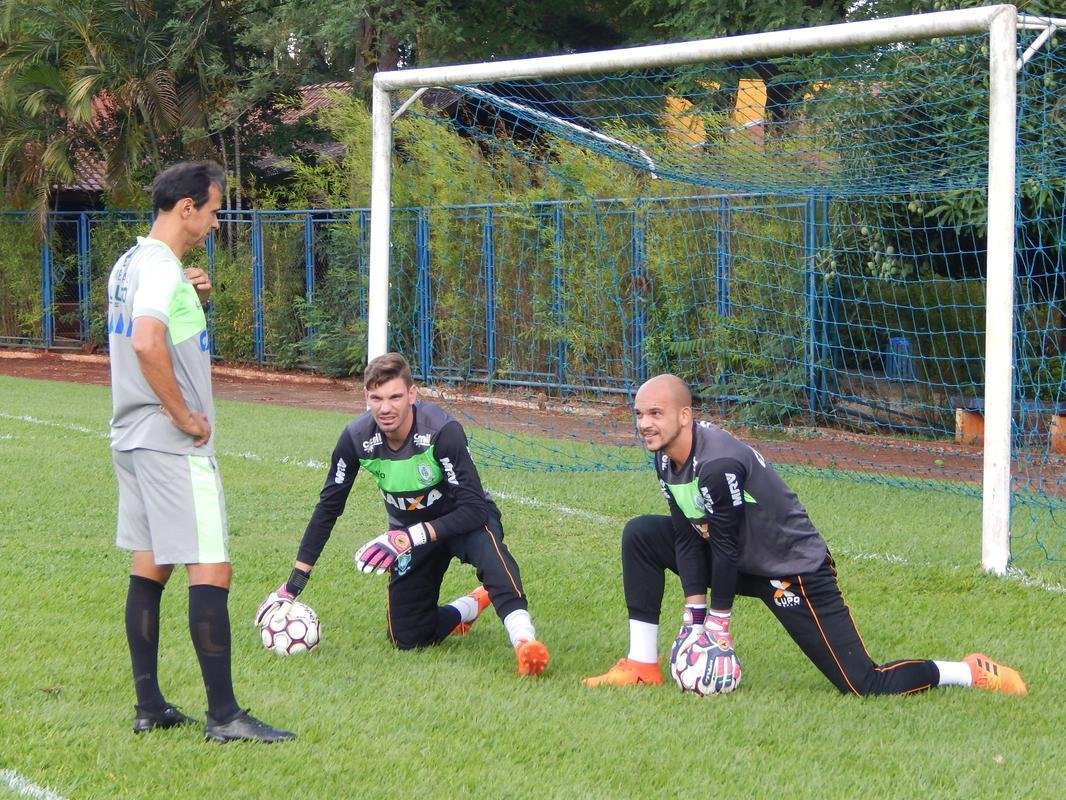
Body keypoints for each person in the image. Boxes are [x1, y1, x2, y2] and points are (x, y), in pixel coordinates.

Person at [583, 373, 1028, 697]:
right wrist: (692, 614)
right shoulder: (664, 456)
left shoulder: (717, 463)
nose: (644, 424)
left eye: (655, 414)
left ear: (685, 415)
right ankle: (642, 664)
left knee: (864, 683)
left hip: (792, 571)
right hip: (738, 558)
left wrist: (718, 625)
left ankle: (969, 671)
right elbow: (685, 534)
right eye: (639, 414)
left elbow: (725, 544)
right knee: (642, 535)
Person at [107, 160, 295, 743]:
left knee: (150, 563)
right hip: (171, 443)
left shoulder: (132, 261)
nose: (216, 221)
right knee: (212, 564)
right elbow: (146, 339)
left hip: (130, 437)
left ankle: (150, 705)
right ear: (186, 207)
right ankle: (225, 716)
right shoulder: (161, 267)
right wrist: (185, 415)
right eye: (213, 210)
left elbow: (149, 321)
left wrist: (194, 296)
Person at [256, 352, 550, 676]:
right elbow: (328, 508)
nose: (385, 407)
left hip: (461, 519)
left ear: (412, 394)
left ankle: (525, 643)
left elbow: (474, 508)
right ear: (365, 397)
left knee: (490, 550)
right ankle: (470, 606)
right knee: (406, 637)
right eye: (376, 398)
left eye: (395, 396)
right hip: (409, 536)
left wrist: (409, 536)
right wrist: (293, 585)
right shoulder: (356, 439)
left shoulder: (441, 431)